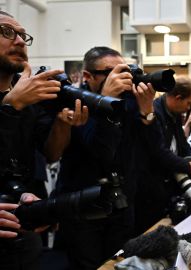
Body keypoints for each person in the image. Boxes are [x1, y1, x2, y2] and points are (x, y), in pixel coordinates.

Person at [0, 10, 87, 270]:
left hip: (24, 227)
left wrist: (63, 123)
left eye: (23, 36)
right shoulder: (21, 95)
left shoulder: (30, 90)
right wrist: (10, 106)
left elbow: (51, 153)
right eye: (7, 32)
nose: (19, 41)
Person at [55, 46, 155, 269]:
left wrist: (147, 111)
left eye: (122, 71)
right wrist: (105, 99)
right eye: (110, 72)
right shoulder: (73, 100)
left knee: (119, 264)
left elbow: (150, 146)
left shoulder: (128, 102)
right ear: (88, 76)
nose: (119, 77)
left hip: (122, 204)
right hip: (84, 209)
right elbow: (97, 148)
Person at [134, 76, 191, 234]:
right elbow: (159, 152)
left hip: (167, 187)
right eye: (188, 102)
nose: (189, 107)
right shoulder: (153, 112)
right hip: (149, 190)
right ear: (178, 98)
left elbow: (182, 145)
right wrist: (187, 166)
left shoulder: (175, 114)